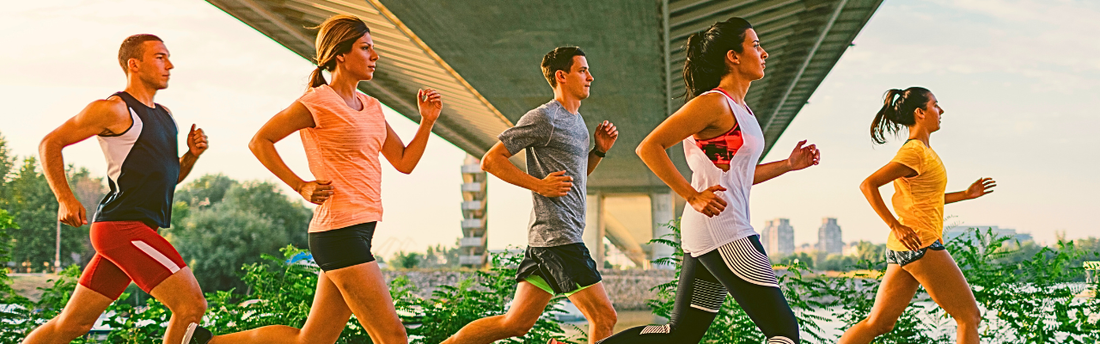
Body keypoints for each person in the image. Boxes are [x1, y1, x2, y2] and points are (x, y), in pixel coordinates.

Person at [207, 14, 441, 344]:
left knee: (311, 341)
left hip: (361, 229)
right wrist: (300, 184)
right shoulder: (318, 101)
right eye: (365, 48)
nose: (375, 56)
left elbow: (403, 162)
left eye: (374, 48)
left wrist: (426, 122)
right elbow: (260, 141)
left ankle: (208, 342)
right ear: (340, 54)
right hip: (338, 232)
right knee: (393, 337)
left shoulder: (372, 106)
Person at [599, 17, 820, 344]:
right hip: (725, 228)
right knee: (784, 332)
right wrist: (692, 195)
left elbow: (738, 178)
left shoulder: (739, 109)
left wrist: (787, 165)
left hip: (711, 226)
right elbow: (649, 147)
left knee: (680, 335)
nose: (765, 53)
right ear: (733, 56)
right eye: (756, 45)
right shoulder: (713, 102)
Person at [25, 34, 213, 344]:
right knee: (191, 305)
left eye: (168, 58)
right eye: (160, 57)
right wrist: (64, 197)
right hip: (122, 228)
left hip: (136, 230)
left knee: (72, 324)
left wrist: (191, 156)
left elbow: (169, 177)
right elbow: (50, 143)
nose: (170, 65)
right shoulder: (113, 109)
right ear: (134, 64)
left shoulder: (164, 116)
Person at [440, 46, 619, 344]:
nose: (590, 77)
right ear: (562, 76)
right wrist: (539, 185)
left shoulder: (578, 122)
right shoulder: (544, 117)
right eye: (582, 70)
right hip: (559, 239)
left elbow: (573, 180)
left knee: (515, 323)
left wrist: (598, 150)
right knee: (605, 317)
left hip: (549, 240)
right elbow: (491, 160)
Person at [838, 87, 995, 344]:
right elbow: (869, 184)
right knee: (969, 316)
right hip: (920, 243)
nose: (941, 110)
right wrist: (895, 225)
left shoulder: (924, 152)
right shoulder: (915, 152)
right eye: (936, 105)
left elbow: (927, 199)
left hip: (905, 247)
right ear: (920, 113)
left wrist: (965, 195)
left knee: (879, 323)